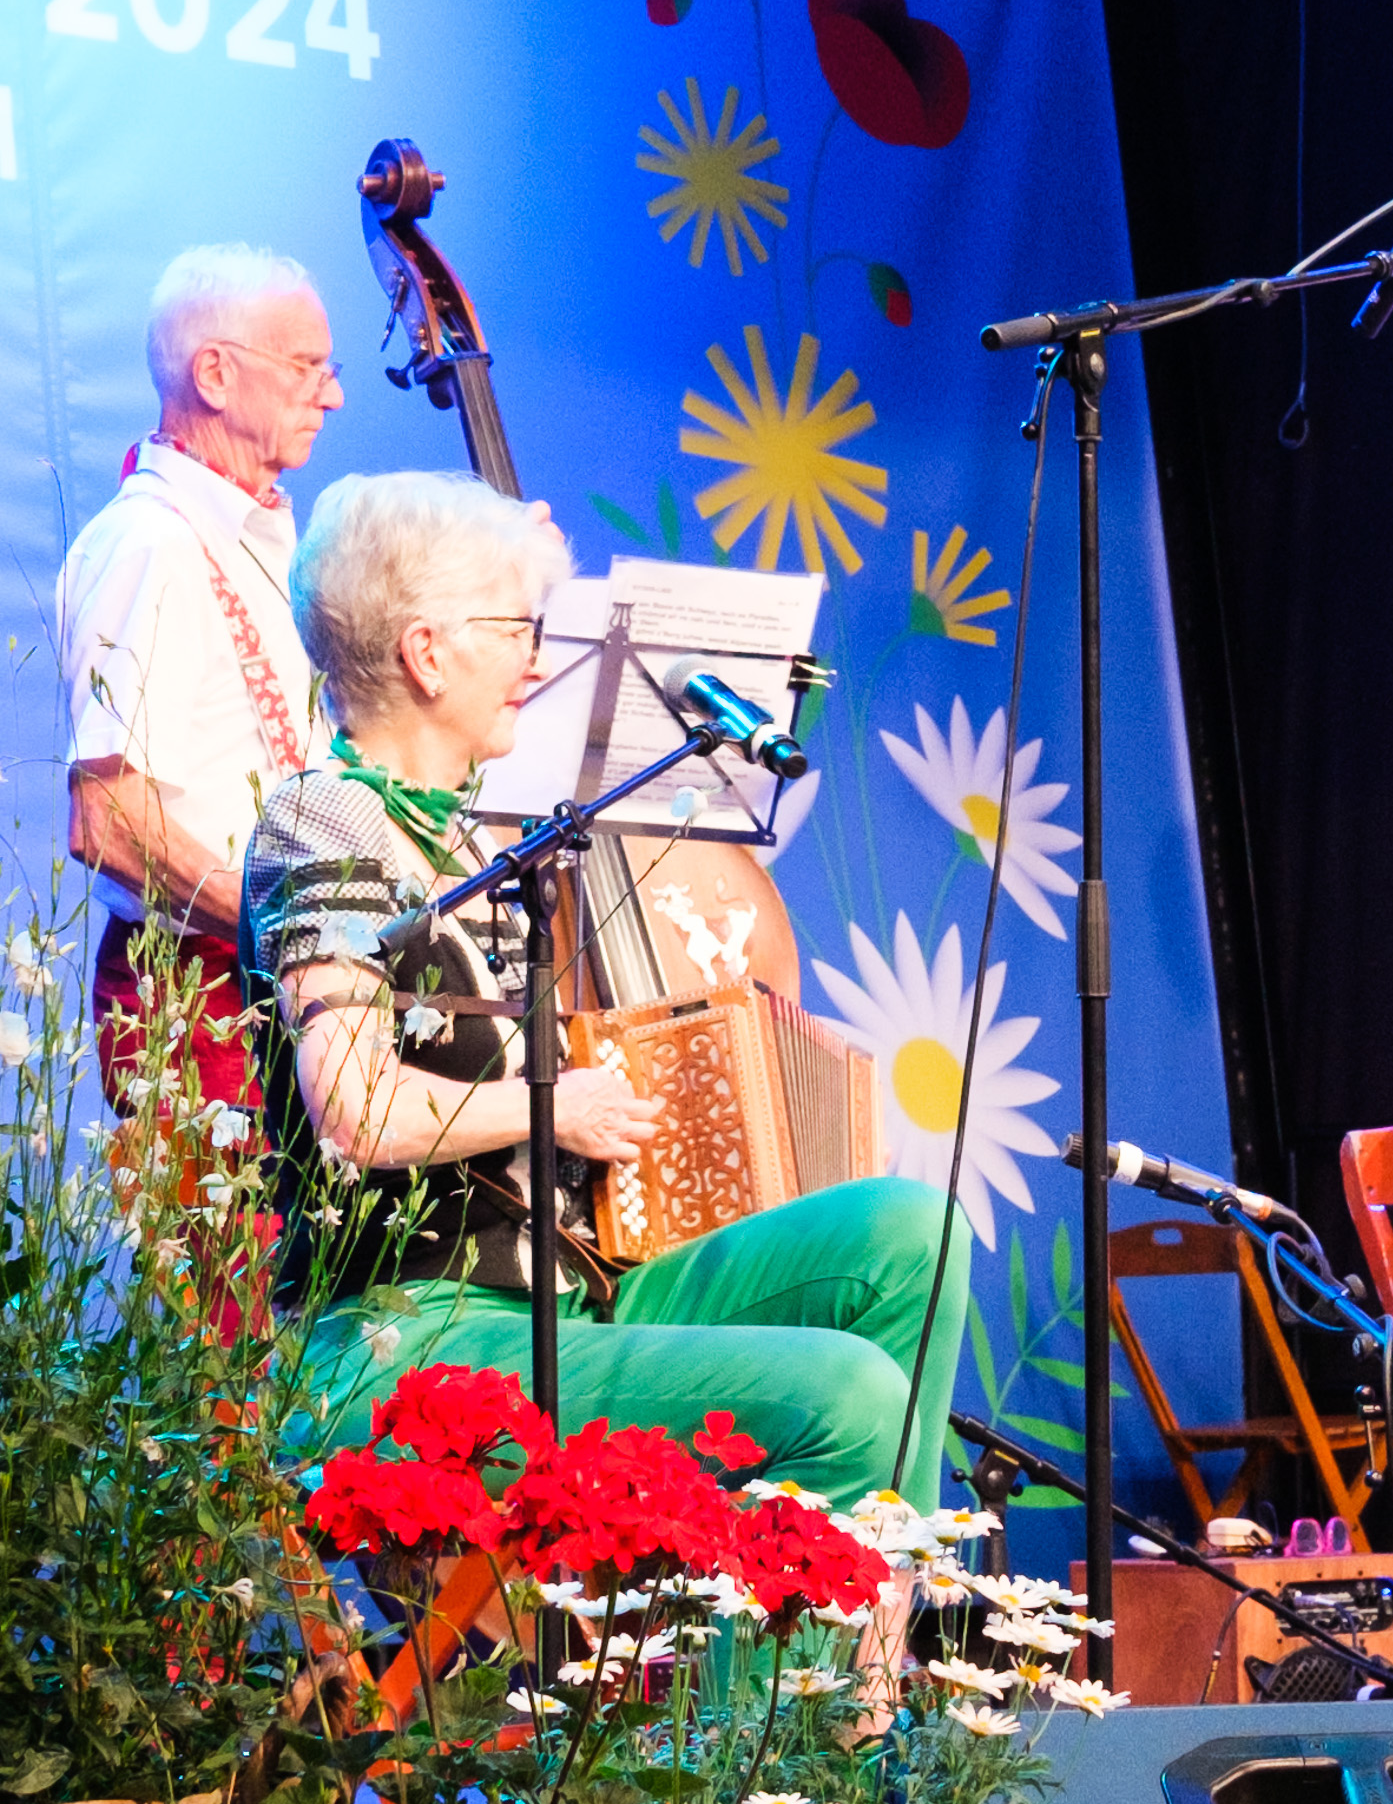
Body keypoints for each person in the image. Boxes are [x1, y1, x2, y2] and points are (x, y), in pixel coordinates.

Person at [241, 469, 968, 1505]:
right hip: (410, 1337)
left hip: (568, 1301)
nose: (536, 659)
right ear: (426, 652)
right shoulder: (328, 819)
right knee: (847, 1391)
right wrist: (556, 1105)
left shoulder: (470, 840)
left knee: (914, 1235)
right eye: (514, 626)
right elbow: (356, 1112)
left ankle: (867, 1616)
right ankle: (812, 1668)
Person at [59, 244, 340, 1117]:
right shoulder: (150, 541)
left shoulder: (266, 539)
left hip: (275, 980)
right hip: (196, 990)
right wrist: (284, 939)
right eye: (306, 368)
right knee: (240, 1260)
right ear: (213, 373)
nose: (330, 395)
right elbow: (108, 823)